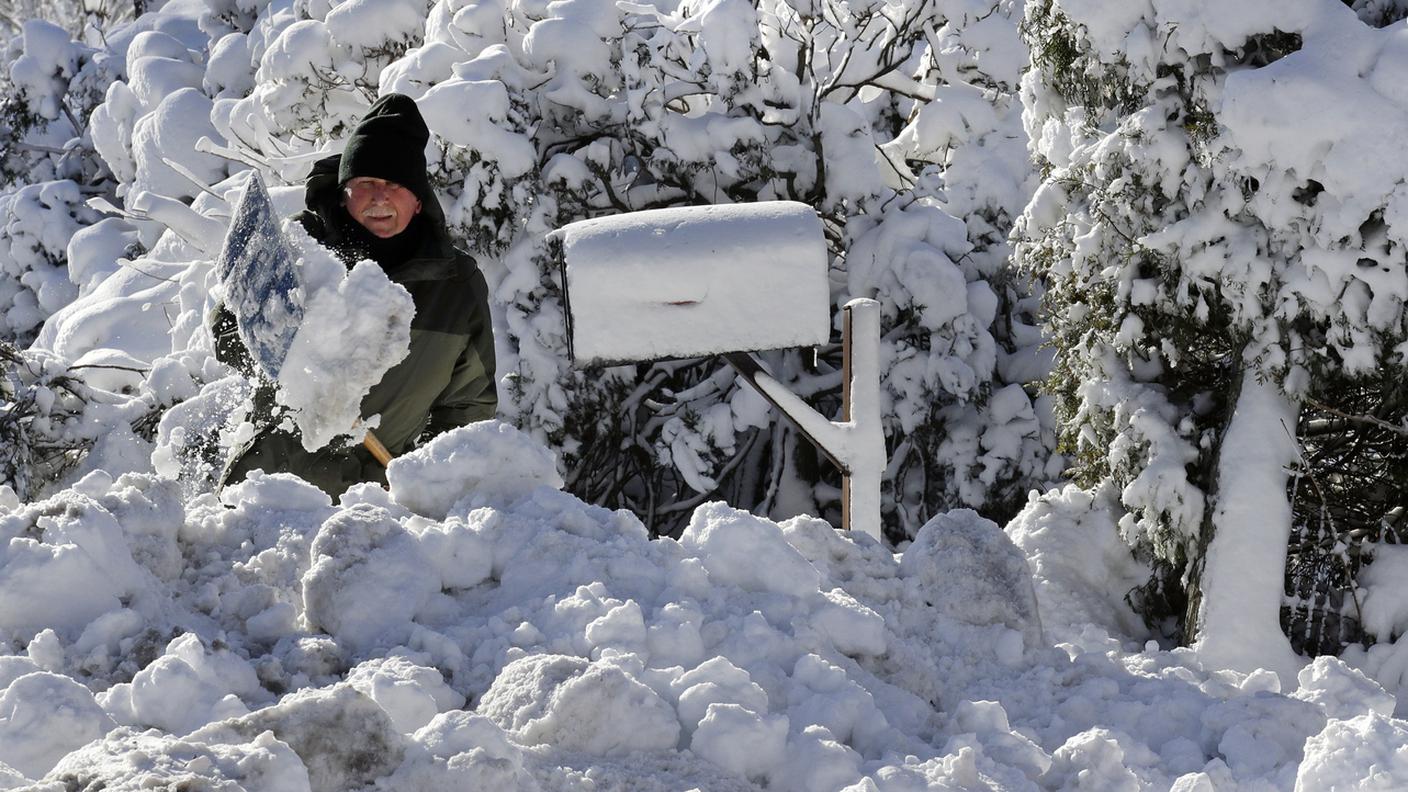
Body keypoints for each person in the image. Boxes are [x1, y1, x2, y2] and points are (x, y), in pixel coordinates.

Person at [213, 93, 497, 496]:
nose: (380, 197)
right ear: (345, 191)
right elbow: (228, 329)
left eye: (395, 184)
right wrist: (299, 364)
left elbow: (469, 406)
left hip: (372, 507)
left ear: (417, 201)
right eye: (366, 183)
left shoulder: (455, 285)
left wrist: (429, 482)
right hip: (266, 486)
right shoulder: (299, 248)